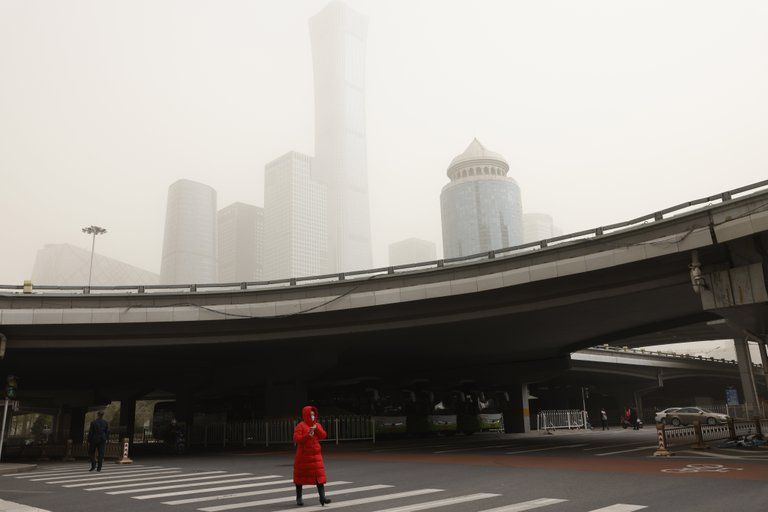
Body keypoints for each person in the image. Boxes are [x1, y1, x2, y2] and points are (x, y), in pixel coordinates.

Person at [293, 405, 330, 507]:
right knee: (300, 478)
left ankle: (322, 498)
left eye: (313, 415)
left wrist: (317, 429)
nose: (312, 416)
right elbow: (297, 439)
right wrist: (307, 435)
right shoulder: (300, 426)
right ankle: (299, 498)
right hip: (303, 457)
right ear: (306, 415)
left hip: (316, 456)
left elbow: (323, 435)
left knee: (319, 477)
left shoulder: (317, 425)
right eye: (310, 415)